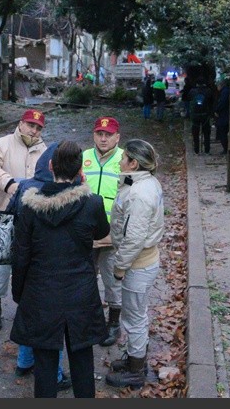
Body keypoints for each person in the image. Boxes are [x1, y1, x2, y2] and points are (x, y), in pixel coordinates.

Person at [10, 141, 110, 398]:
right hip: (81, 293)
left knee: (44, 363)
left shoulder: (29, 206)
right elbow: (102, 232)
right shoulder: (93, 203)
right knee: (82, 359)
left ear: (51, 166)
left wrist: (20, 293)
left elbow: (20, 254)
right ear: (80, 170)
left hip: (41, 292)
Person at [6, 142, 72, 392]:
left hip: (25, 261)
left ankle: (24, 362)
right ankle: (55, 375)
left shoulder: (25, 186)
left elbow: (10, 215)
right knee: (52, 323)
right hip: (51, 266)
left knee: (28, 313)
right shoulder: (62, 192)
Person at [0, 109, 47, 330]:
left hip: (33, 220)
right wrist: (9, 184)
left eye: (38, 128)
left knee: (30, 265)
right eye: (30, 125)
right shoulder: (0, 145)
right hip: (3, 216)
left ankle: (26, 306)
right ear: (21, 123)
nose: (33, 130)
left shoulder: (45, 151)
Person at [105, 139, 165, 389]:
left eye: (124, 157)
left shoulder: (139, 193)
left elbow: (134, 238)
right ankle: (134, 357)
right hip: (142, 261)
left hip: (138, 264)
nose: (120, 160)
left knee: (134, 317)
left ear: (134, 163)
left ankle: (136, 371)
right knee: (136, 313)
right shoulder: (143, 182)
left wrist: (120, 267)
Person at [82, 117, 124, 347]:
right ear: (94, 135)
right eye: (100, 133)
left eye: (108, 134)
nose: (103, 138)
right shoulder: (83, 157)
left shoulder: (126, 160)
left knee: (112, 278)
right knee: (85, 278)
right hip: (86, 233)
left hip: (112, 233)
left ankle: (114, 323)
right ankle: (89, 319)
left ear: (117, 137)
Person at [187, 77, 215, 154]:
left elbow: (188, 99)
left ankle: (196, 150)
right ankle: (207, 150)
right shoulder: (208, 91)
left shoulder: (192, 91)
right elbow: (212, 102)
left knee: (195, 133)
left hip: (195, 115)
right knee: (206, 133)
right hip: (205, 115)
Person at [214, 77, 230, 155]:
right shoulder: (226, 91)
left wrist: (216, 110)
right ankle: (226, 148)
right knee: (223, 132)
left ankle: (226, 149)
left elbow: (222, 103)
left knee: (223, 132)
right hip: (225, 115)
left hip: (224, 116)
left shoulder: (224, 92)